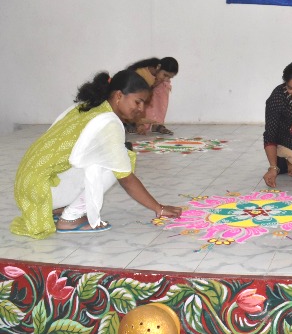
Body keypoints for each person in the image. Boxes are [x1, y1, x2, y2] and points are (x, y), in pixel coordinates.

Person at [11, 70, 183, 239]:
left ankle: (55, 207)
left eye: (144, 103)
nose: (141, 109)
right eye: (138, 102)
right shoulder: (109, 122)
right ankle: (71, 218)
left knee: (109, 155)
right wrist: (159, 208)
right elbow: (126, 178)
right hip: (40, 190)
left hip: (28, 186)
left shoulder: (89, 106)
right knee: (119, 159)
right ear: (118, 96)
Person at [127, 57, 179, 135]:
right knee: (142, 98)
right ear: (158, 67)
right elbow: (137, 95)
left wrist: (156, 84)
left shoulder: (159, 77)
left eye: (169, 77)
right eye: (165, 75)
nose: (166, 79)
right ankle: (133, 123)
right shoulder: (141, 74)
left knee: (165, 85)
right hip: (131, 97)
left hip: (145, 94)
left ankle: (156, 124)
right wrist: (139, 123)